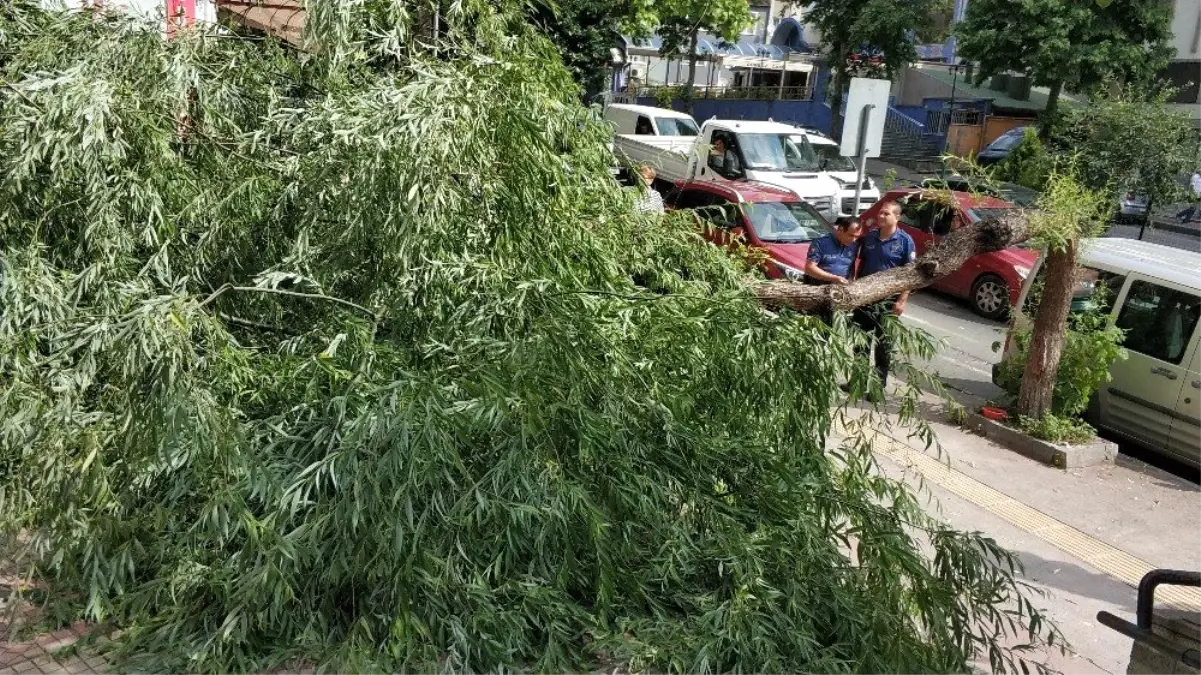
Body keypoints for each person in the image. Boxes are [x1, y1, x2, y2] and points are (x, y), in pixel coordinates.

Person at [851, 201, 916, 401]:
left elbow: (911, 275)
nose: (880, 217)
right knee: (860, 343)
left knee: (883, 347)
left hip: (887, 303)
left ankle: (878, 388)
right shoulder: (870, 237)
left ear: (897, 217)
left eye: (886, 214)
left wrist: (902, 301)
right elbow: (856, 260)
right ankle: (857, 384)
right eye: (880, 213)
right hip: (865, 298)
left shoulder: (905, 241)